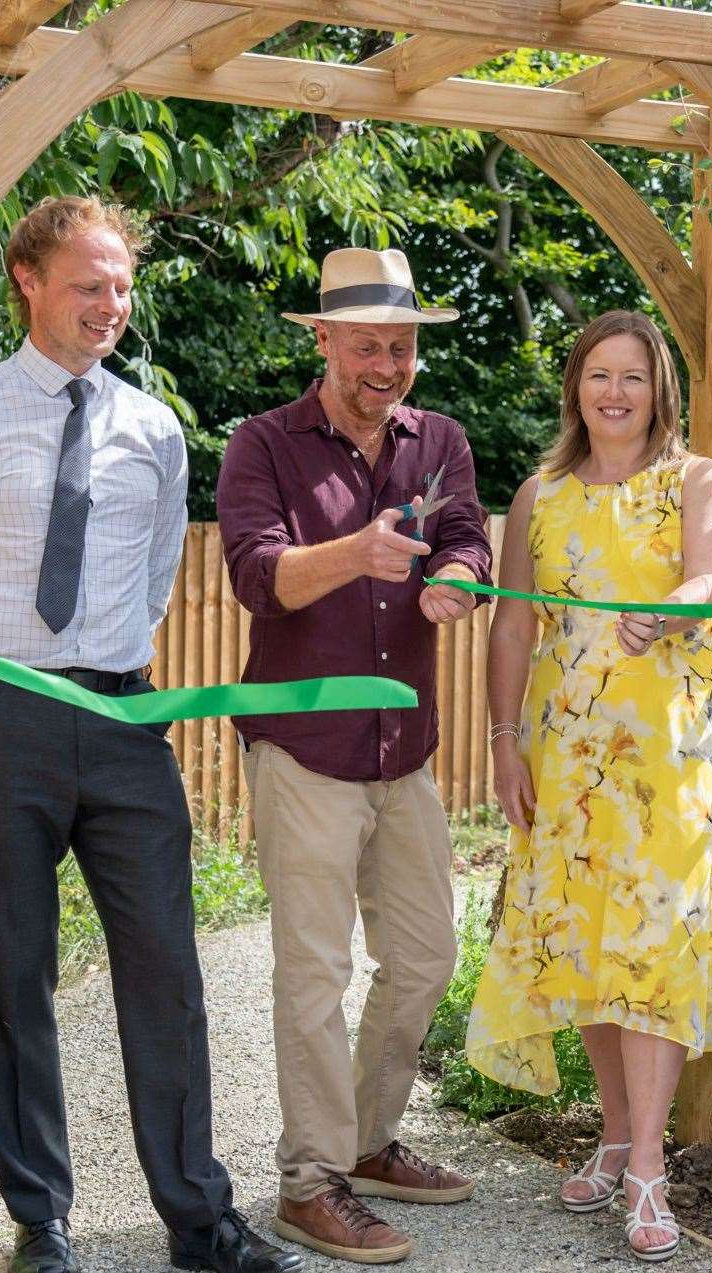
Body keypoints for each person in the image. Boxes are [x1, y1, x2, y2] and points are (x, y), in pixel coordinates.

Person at [0, 196, 299, 1273]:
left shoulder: (152, 427)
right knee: (15, 970)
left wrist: (110, 676)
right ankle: (40, 1222)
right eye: (89, 283)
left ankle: (199, 1220)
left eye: (122, 286)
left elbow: (153, 582)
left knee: (166, 968)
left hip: (122, 715)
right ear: (28, 280)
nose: (111, 305)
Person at [465, 310, 712, 1263]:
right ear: (575, 386)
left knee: (652, 940)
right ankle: (613, 1133)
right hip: (565, 748)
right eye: (598, 374)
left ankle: (648, 1169)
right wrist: (504, 740)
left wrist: (668, 609)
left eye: (632, 377)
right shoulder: (540, 493)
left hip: (668, 750)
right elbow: (512, 625)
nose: (613, 392)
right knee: (591, 941)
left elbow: (709, 577)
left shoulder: (696, 478)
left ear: (659, 389)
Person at [216, 247, 492, 1265]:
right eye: (367, 341)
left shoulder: (441, 439)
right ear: (322, 339)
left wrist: (454, 576)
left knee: (424, 957)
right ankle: (308, 1180)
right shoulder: (263, 444)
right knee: (314, 973)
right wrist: (358, 553)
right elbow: (259, 578)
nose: (387, 362)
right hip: (304, 751)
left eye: (403, 343)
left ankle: (368, 1142)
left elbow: (464, 529)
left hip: (402, 751)